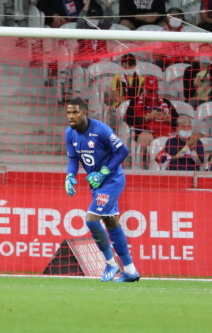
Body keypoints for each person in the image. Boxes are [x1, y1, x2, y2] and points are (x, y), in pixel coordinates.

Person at [64, 97, 139, 282]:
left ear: (84, 112)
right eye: (68, 112)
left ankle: (111, 263)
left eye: (74, 112)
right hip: (96, 184)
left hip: (112, 180)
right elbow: (73, 159)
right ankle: (130, 271)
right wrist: (69, 177)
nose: (71, 116)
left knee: (91, 220)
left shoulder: (101, 130)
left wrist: (103, 172)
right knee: (112, 223)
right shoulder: (69, 133)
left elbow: (123, 151)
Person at [124, 76, 179, 166]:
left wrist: (170, 120)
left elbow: (178, 121)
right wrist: (148, 118)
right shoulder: (135, 102)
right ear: (143, 89)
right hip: (146, 131)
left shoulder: (166, 102)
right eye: (150, 91)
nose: (153, 94)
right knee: (144, 140)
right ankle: (139, 168)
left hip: (167, 131)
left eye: (155, 91)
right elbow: (127, 120)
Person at [74, 0, 113, 64]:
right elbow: (80, 20)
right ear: (86, 18)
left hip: (101, 64)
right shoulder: (82, 29)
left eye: (96, 18)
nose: (93, 20)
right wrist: (88, 3)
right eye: (91, 17)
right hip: (84, 64)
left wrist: (106, 3)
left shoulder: (103, 28)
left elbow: (110, 18)